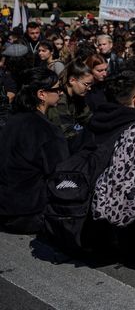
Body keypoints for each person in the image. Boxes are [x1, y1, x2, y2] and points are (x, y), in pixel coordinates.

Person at [0, 68, 69, 234]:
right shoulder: (48, 131)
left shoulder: (9, 121)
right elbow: (60, 174)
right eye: (57, 89)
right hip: (29, 214)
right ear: (41, 94)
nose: (60, 93)